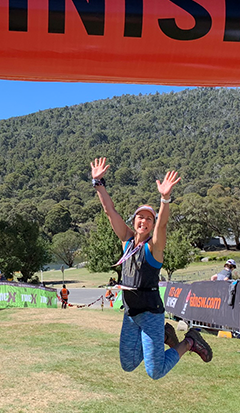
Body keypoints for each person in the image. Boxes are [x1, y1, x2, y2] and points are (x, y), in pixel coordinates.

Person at [91, 157, 212, 380]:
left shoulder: (153, 248)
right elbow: (109, 211)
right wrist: (98, 183)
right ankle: (165, 335)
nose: (144, 221)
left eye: (149, 219)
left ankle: (189, 341)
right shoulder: (126, 241)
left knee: (154, 371)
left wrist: (164, 199)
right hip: (130, 314)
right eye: (140, 217)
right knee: (128, 365)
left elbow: (163, 225)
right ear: (134, 220)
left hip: (150, 314)